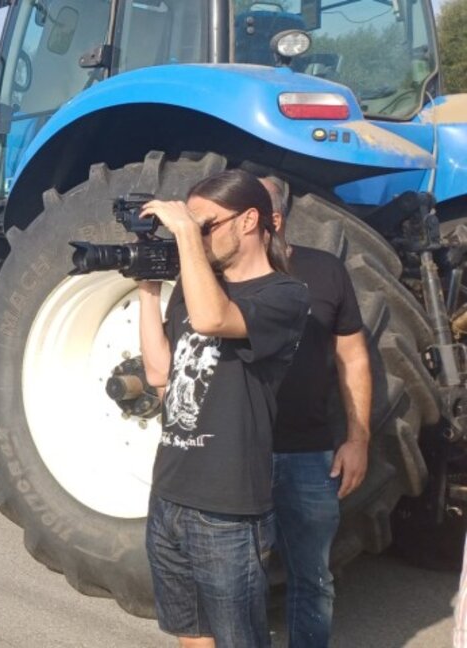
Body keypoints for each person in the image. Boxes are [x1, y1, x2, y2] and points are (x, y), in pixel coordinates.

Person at [138, 169, 310, 647]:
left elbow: (214, 319)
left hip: (227, 507)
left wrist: (184, 233)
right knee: (190, 635)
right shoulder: (194, 288)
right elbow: (158, 372)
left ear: (249, 220)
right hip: (169, 492)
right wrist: (148, 289)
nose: (196, 236)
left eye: (205, 225)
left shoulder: (284, 294)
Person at [261, 176, 371, 648]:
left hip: (308, 454)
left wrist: (358, 439)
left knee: (313, 579)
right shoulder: (217, 276)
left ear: (273, 219)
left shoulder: (325, 270)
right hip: (239, 455)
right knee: (236, 579)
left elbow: (354, 357)